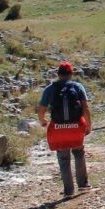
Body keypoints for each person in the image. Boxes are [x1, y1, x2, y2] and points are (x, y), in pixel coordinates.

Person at [37, 61, 92, 198]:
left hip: (58, 128)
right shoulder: (78, 87)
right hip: (75, 127)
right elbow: (85, 108)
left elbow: (42, 109)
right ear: (71, 74)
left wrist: (43, 121)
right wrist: (88, 125)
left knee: (63, 158)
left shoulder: (50, 89)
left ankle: (68, 191)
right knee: (79, 153)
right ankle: (83, 185)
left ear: (58, 74)